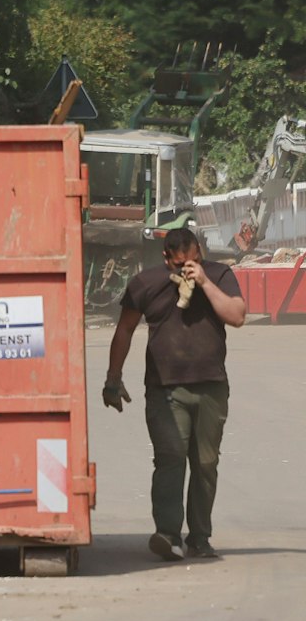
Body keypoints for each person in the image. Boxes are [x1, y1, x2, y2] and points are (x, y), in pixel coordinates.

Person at [104, 226, 247, 561]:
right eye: (179, 262)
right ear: (166, 257)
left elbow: (237, 316)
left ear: (199, 250)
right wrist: (113, 379)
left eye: (192, 259)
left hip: (211, 386)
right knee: (170, 458)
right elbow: (124, 330)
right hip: (165, 389)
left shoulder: (219, 274)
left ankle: (199, 537)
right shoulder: (146, 284)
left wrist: (205, 283)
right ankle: (168, 534)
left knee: (206, 464)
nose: (186, 267)